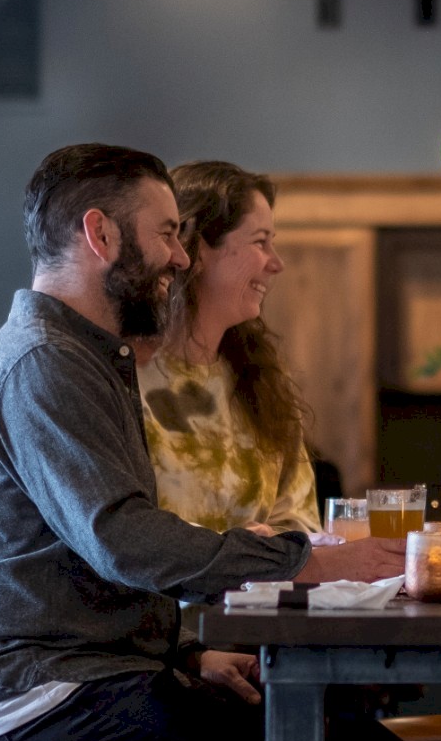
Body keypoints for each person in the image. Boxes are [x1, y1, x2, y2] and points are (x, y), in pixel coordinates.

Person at [0, 144, 419, 741]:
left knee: (327, 740)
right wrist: (310, 562)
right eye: (165, 234)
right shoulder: (44, 363)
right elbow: (125, 542)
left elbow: (85, 576)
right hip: (22, 690)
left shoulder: (81, 357)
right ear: (100, 235)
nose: (180, 258)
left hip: (70, 674)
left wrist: (186, 654)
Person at [135, 160, 320, 534]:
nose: (277, 263)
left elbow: (301, 519)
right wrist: (238, 552)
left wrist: (274, 542)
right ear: (198, 248)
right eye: (260, 242)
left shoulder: (264, 382)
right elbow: (121, 532)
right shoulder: (120, 376)